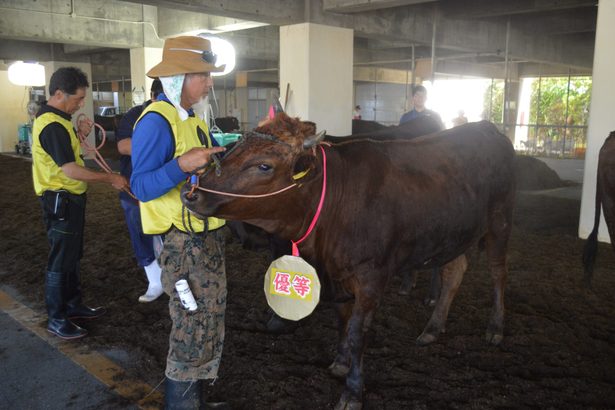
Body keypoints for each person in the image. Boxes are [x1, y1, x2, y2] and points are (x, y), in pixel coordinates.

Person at [130, 36, 228, 409]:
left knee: (208, 321)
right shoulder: (156, 122)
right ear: (177, 79)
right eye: (202, 75)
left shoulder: (194, 121)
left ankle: (195, 398)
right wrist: (181, 166)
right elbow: (140, 185)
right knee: (191, 327)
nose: (209, 83)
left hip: (207, 241)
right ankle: (183, 404)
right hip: (182, 244)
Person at [31, 67, 129, 340]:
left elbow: (65, 155)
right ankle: (56, 317)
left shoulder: (60, 121)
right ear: (60, 94)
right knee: (61, 259)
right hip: (61, 199)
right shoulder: (52, 125)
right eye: (77, 98)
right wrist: (110, 177)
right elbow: (70, 170)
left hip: (69, 199)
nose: (81, 103)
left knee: (71, 256)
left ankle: (72, 306)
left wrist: (79, 135)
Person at [116, 79, 165, 303]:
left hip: (165, 186)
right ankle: (154, 281)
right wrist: (160, 144)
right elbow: (123, 145)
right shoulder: (135, 115)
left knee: (168, 231)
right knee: (140, 230)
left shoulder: (180, 116)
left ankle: (171, 278)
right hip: (134, 188)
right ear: (154, 95)